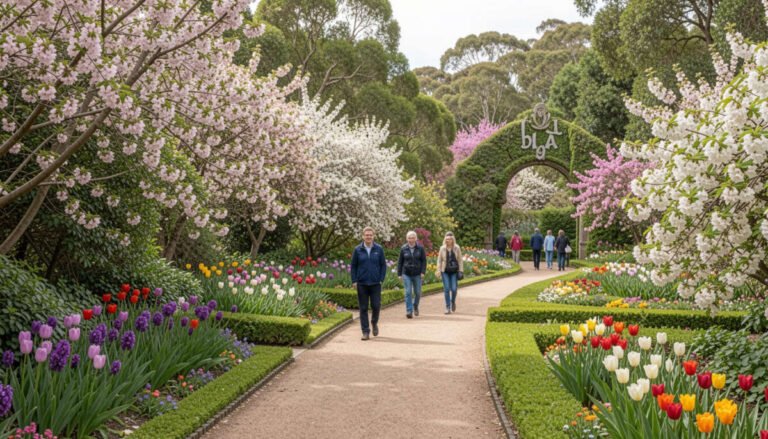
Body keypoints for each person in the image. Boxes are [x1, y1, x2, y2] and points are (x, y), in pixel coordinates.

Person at [351, 227, 387, 340]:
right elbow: (353, 266)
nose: (368, 237)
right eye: (366, 235)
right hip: (362, 283)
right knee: (363, 308)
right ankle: (365, 331)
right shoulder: (357, 250)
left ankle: (374, 322)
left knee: (376, 306)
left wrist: (381, 279)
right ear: (363, 236)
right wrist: (354, 280)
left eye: (370, 235)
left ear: (373, 236)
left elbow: (383, 265)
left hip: (376, 283)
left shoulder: (379, 249)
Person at [397, 231, 427, 319]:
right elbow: (400, 262)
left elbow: (424, 261)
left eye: (413, 237)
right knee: (408, 292)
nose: (411, 239)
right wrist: (399, 274)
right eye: (409, 238)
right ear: (407, 239)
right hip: (406, 273)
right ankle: (409, 311)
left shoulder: (420, 248)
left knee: (418, 293)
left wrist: (423, 272)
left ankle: (415, 305)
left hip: (417, 274)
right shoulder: (403, 248)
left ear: (416, 238)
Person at [436, 232, 464, 314]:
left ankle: (453, 302)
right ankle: (447, 307)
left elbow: (460, 260)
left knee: (454, 289)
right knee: (447, 289)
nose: (448, 241)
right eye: (447, 239)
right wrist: (438, 270)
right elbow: (439, 260)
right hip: (445, 271)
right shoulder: (442, 248)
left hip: (454, 271)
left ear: (453, 240)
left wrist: (461, 270)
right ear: (445, 239)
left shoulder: (456, 248)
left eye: (450, 239)